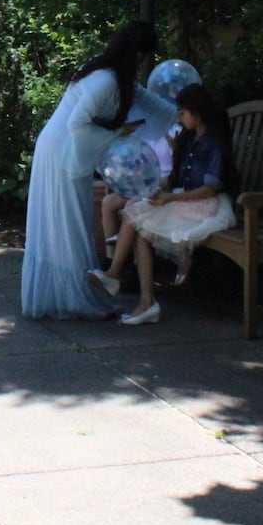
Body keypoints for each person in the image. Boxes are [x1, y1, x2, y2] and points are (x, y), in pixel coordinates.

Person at [21, 20, 154, 319]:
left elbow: (148, 102)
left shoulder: (103, 71)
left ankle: (63, 296)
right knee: (69, 223)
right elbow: (76, 123)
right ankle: (73, 298)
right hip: (63, 150)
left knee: (64, 222)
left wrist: (174, 115)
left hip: (61, 147)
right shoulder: (106, 81)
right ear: (139, 55)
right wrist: (115, 134)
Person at [87, 83, 238, 324]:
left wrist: (171, 197)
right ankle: (145, 301)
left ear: (197, 112)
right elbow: (176, 178)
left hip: (207, 206)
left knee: (134, 217)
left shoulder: (213, 142)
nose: (179, 117)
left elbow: (210, 188)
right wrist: (159, 189)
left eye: (182, 112)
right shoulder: (188, 138)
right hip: (186, 200)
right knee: (138, 224)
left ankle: (117, 277)